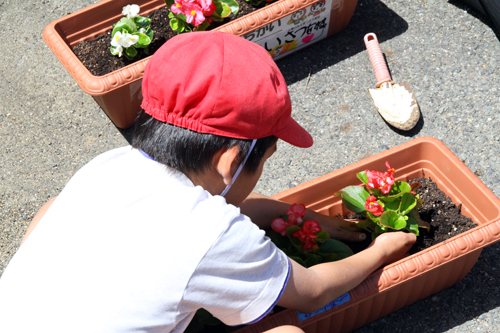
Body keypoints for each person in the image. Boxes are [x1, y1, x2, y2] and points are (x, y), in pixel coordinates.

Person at [0, 31, 416, 332]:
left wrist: (290, 213)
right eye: (265, 157)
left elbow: (50, 208)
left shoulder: (109, 166)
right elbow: (312, 291)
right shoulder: (211, 232)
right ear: (231, 160)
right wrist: (380, 250)